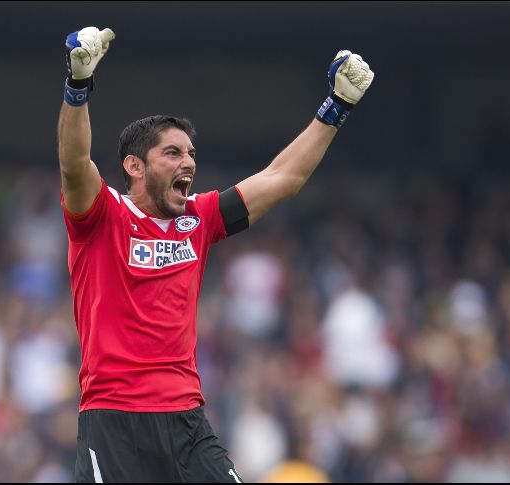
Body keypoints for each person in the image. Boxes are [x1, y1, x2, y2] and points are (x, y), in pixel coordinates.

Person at [57, 26, 374, 483]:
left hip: (187, 420)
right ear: (134, 166)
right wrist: (78, 87)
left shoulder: (200, 218)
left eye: (190, 153)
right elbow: (72, 163)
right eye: (172, 153)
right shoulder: (101, 215)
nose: (188, 162)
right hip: (114, 421)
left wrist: (336, 108)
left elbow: (283, 178)